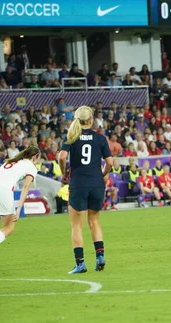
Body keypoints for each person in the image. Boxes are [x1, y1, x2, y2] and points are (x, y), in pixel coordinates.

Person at [58, 106, 113, 274]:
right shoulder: (100, 138)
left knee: (77, 226)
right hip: (96, 183)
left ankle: (80, 263)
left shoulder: (71, 137)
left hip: (78, 183)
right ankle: (100, 256)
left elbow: (61, 157)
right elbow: (110, 162)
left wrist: (63, 173)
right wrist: (103, 174)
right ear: (91, 120)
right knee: (94, 222)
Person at [0, 146, 39, 271]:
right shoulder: (31, 166)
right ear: (34, 157)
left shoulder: (11, 161)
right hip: (3, 191)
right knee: (9, 228)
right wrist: (19, 208)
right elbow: (26, 187)